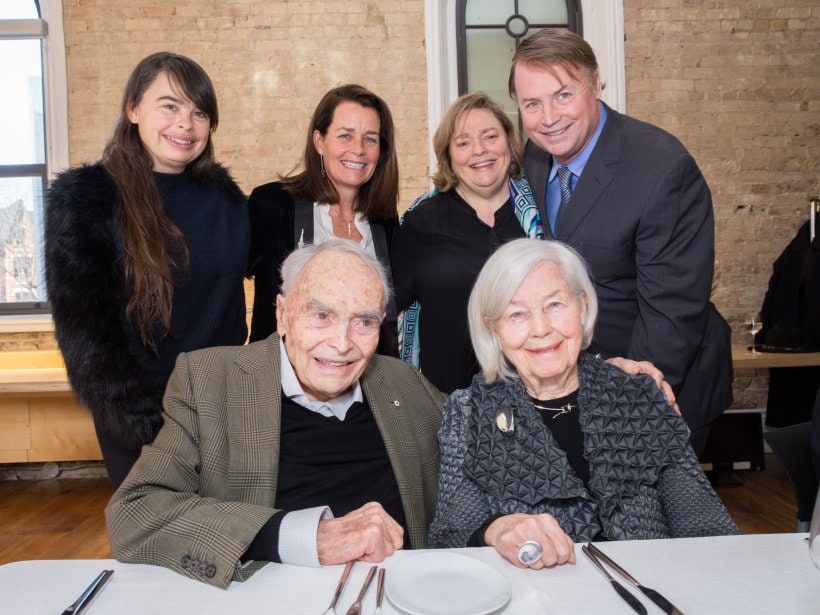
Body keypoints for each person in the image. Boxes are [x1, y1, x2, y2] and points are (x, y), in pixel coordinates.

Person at [105, 240, 445, 589]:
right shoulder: (210, 380)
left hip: (399, 593)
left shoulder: (402, 382)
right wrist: (306, 537)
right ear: (282, 314)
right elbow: (135, 512)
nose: (342, 343)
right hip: (268, 596)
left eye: (364, 322)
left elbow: (482, 457)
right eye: (321, 315)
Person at [429, 239, 738, 568]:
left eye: (554, 305)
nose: (541, 329)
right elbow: (451, 536)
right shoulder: (470, 412)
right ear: (494, 329)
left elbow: (706, 528)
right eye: (517, 313)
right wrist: (495, 529)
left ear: (583, 307)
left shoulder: (637, 396)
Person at [510, 29, 733, 454]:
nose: (549, 117)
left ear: (596, 84)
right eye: (531, 104)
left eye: (563, 95)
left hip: (658, 386)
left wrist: (618, 407)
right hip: (586, 381)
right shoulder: (537, 155)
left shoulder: (662, 168)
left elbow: (671, 315)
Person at [45, 52, 249, 488]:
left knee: (231, 542)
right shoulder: (87, 199)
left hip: (224, 409)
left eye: (198, 112)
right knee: (154, 546)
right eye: (169, 106)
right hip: (139, 421)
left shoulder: (227, 199)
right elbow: (86, 335)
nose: (185, 124)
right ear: (133, 109)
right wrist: (148, 427)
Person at [391, 92, 541, 393]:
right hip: (449, 404)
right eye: (463, 142)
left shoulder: (545, 213)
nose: (479, 151)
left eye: (490, 136)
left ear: (509, 144)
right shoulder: (420, 223)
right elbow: (388, 307)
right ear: (447, 156)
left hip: (538, 396)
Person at [248, 84, 400, 357]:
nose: (358, 150)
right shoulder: (272, 205)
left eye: (370, 139)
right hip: (282, 384)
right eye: (345, 136)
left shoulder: (384, 221)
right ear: (319, 141)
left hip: (367, 381)